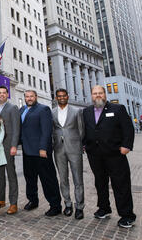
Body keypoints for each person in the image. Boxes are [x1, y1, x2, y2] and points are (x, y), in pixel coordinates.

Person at [82, 85, 136, 228]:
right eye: (95, 93)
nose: (97, 95)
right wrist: (84, 144)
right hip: (94, 154)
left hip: (115, 154)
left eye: (100, 93)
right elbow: (84, 130)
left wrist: (127, 146)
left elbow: (128, 128)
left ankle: (127, 215)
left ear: (105, 94)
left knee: (120, 184)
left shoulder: (118, 109)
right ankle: (104, 208)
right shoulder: (86, 112)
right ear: (91, 95)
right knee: (100, 182)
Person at [20, 90, 62, 216]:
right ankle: (33, 200)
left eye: (31, 96)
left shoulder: (43, 109)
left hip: (41, 152)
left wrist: (43, 148)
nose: (29, 98)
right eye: (27, 96)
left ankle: (55, 205)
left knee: (48, 179)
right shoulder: (21, 110)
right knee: (30, 179)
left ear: (36, 97)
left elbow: (46, 130)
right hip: (27, 151)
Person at [52, 89, 85, 220]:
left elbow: (81, 130)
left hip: (74, 149)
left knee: (78, 179)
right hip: (59, 150)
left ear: (67, 96)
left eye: (64, 96)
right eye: (59, 96)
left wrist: (77, 143)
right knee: (63, 179)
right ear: (56, 98)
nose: (61, 98)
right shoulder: (52, 112)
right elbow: (53, 129)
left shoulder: (77, 111)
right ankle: (68, 204)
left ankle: (79, 207)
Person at [0, 86, 21, 214]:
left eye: (4, 93)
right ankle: (0, 199)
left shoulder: (13, 108)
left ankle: (13, 203)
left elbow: (16, 128)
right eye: (0, 93)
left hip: (8, 145)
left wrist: (14, 145)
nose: (2, 95)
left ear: (7, 94)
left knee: (11, 174)